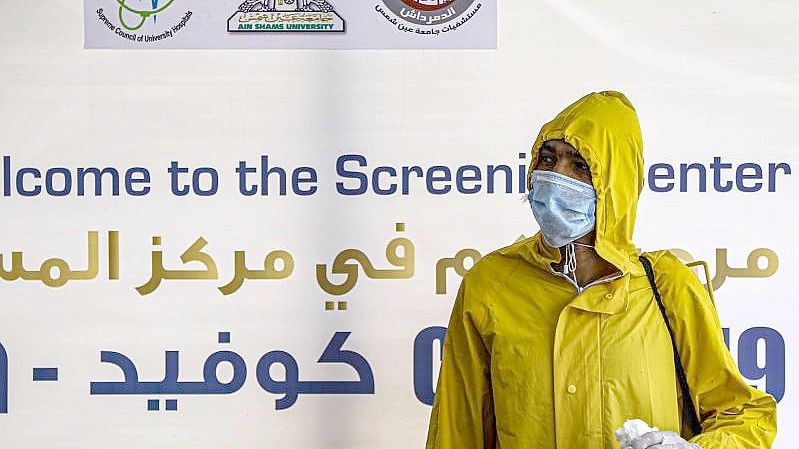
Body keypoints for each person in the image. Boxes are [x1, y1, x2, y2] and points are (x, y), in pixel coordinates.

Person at [423, 91, 777, 449]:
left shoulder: (667, 285)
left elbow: (742, 414)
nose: (556, 176)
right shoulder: (492, 283)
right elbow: (457, 430)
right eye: (548, 159)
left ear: (616, 183)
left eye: (580, 165)